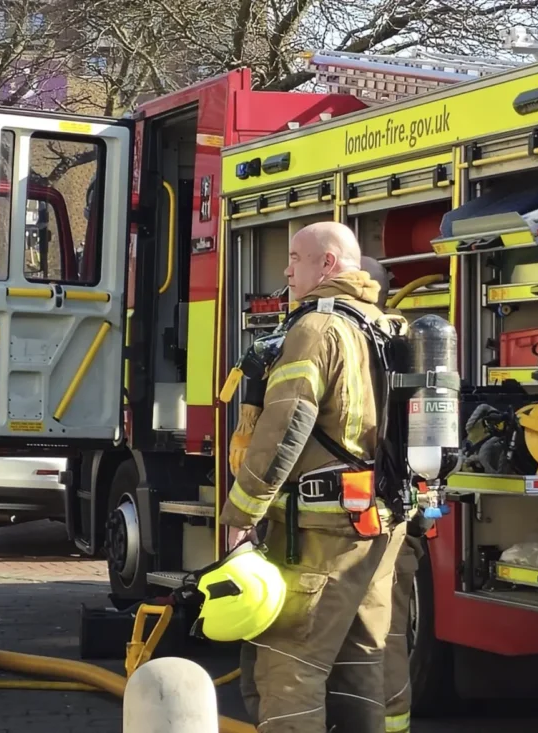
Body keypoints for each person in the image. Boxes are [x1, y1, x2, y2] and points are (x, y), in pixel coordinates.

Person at [220, 221, 407, 733]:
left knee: (288, 667)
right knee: (361, 662)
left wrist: (241, 514)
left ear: (327, 264)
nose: (286, 270)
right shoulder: (387, 325)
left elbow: (284, 428)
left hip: (320, 536)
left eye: (296, 258)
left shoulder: (316, 329)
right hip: (380, 526)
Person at [360, 255, 430, 733]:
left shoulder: (340, 340)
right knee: (389, 632)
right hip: (403, 518)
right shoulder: (415, 346)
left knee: (359, 636)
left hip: (356, 525)